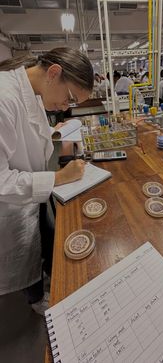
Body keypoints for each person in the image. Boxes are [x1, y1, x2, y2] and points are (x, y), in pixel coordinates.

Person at [0, 47, 94, 314]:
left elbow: (26, 133)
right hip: (9, 206)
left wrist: (53, 130)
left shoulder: (30, 90)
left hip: (29, 198)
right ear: (54, 72)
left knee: (40, 246)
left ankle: (41, 284)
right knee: (24, 261)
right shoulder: (4, 97)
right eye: (69, 98)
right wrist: (58, 178)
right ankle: (36, 299)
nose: (66, 107)